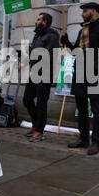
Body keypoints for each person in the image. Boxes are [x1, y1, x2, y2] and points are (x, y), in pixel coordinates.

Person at [60, 2, 99, 155]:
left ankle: (96, 141)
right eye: (82, 11)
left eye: (85, 11)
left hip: (92, 72)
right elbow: (77, 52)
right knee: (81, 107)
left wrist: (95, 67)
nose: (82, 14)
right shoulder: (82, 30)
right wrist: (67, 44)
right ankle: (84, 138)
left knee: (96, 108)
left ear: (94, 11)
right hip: (79, 72)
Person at [22, 12, 59, 142]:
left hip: (45, 74)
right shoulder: (37, 36)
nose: (36, 21)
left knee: (41, 103)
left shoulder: (52, 36)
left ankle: (39, 130)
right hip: (34, 72)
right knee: (27, 99)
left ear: (45, 22)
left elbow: (48, 55)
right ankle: (35, 124)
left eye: (38, 19)